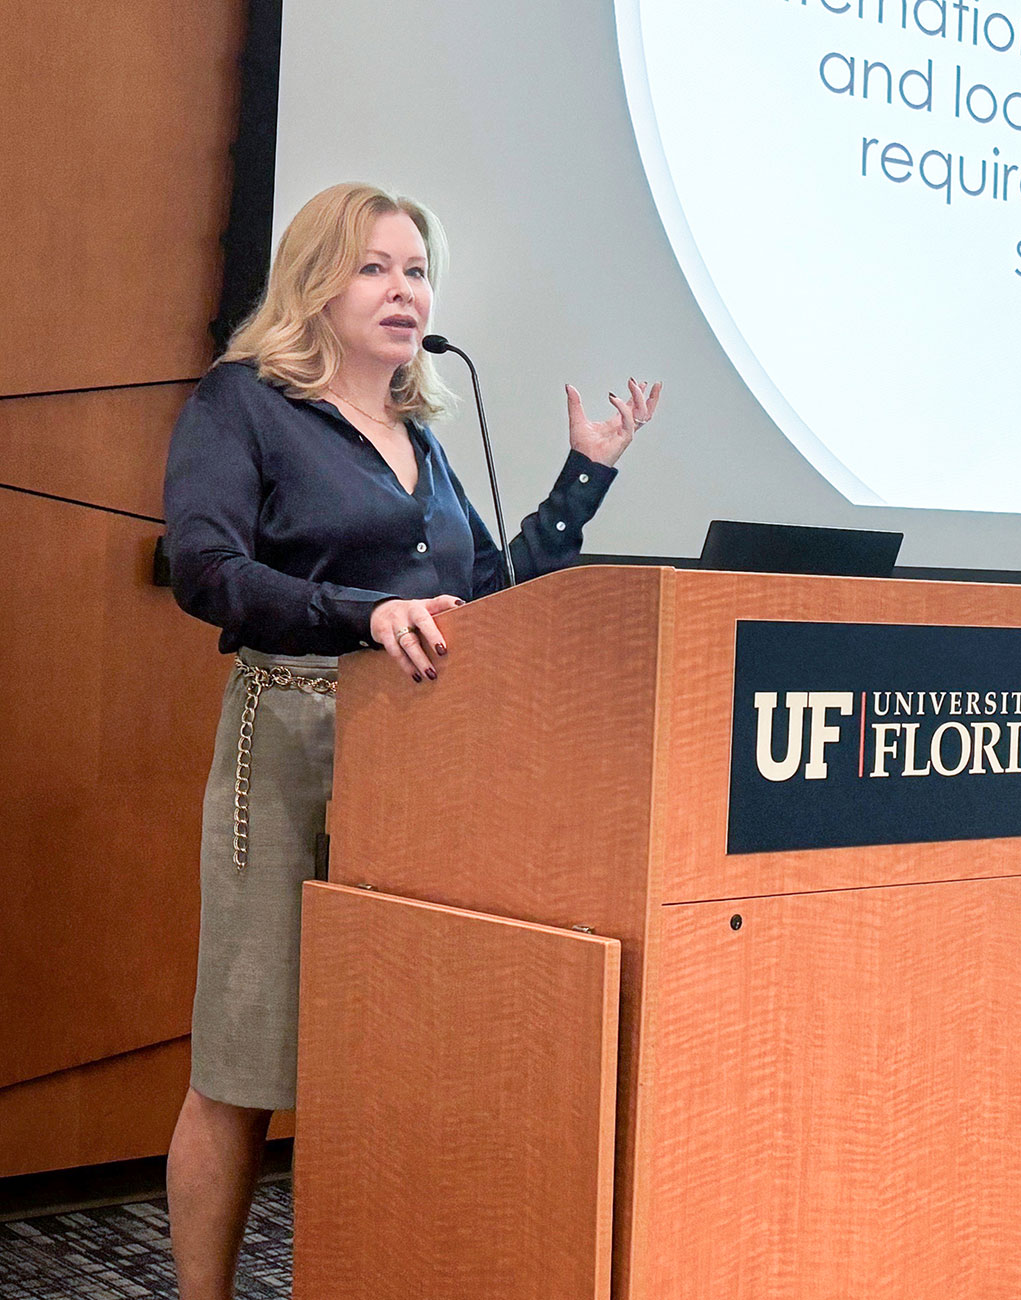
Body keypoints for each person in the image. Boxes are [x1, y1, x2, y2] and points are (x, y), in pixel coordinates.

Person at [160, 181, 662, 1300]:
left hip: (424, 760)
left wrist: (585, 477)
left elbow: (486, 595)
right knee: (244, 1061)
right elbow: (205, 568)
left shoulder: (422, 437)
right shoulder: (246, 404)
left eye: (418, 269)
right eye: (376, 266)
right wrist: (359, 611)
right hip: (290, 740)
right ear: (315, 283)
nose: (404, 289)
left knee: (387, 1048)